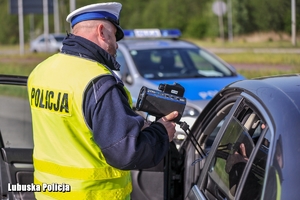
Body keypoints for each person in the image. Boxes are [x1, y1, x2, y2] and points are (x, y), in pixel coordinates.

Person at [27, 2, 178, 200]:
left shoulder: (41, 71)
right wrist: (160, 132)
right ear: (102, 32)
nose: (116, 45)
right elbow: (126, 153)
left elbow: (75, 127)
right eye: (115, 36)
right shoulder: (99, 82)